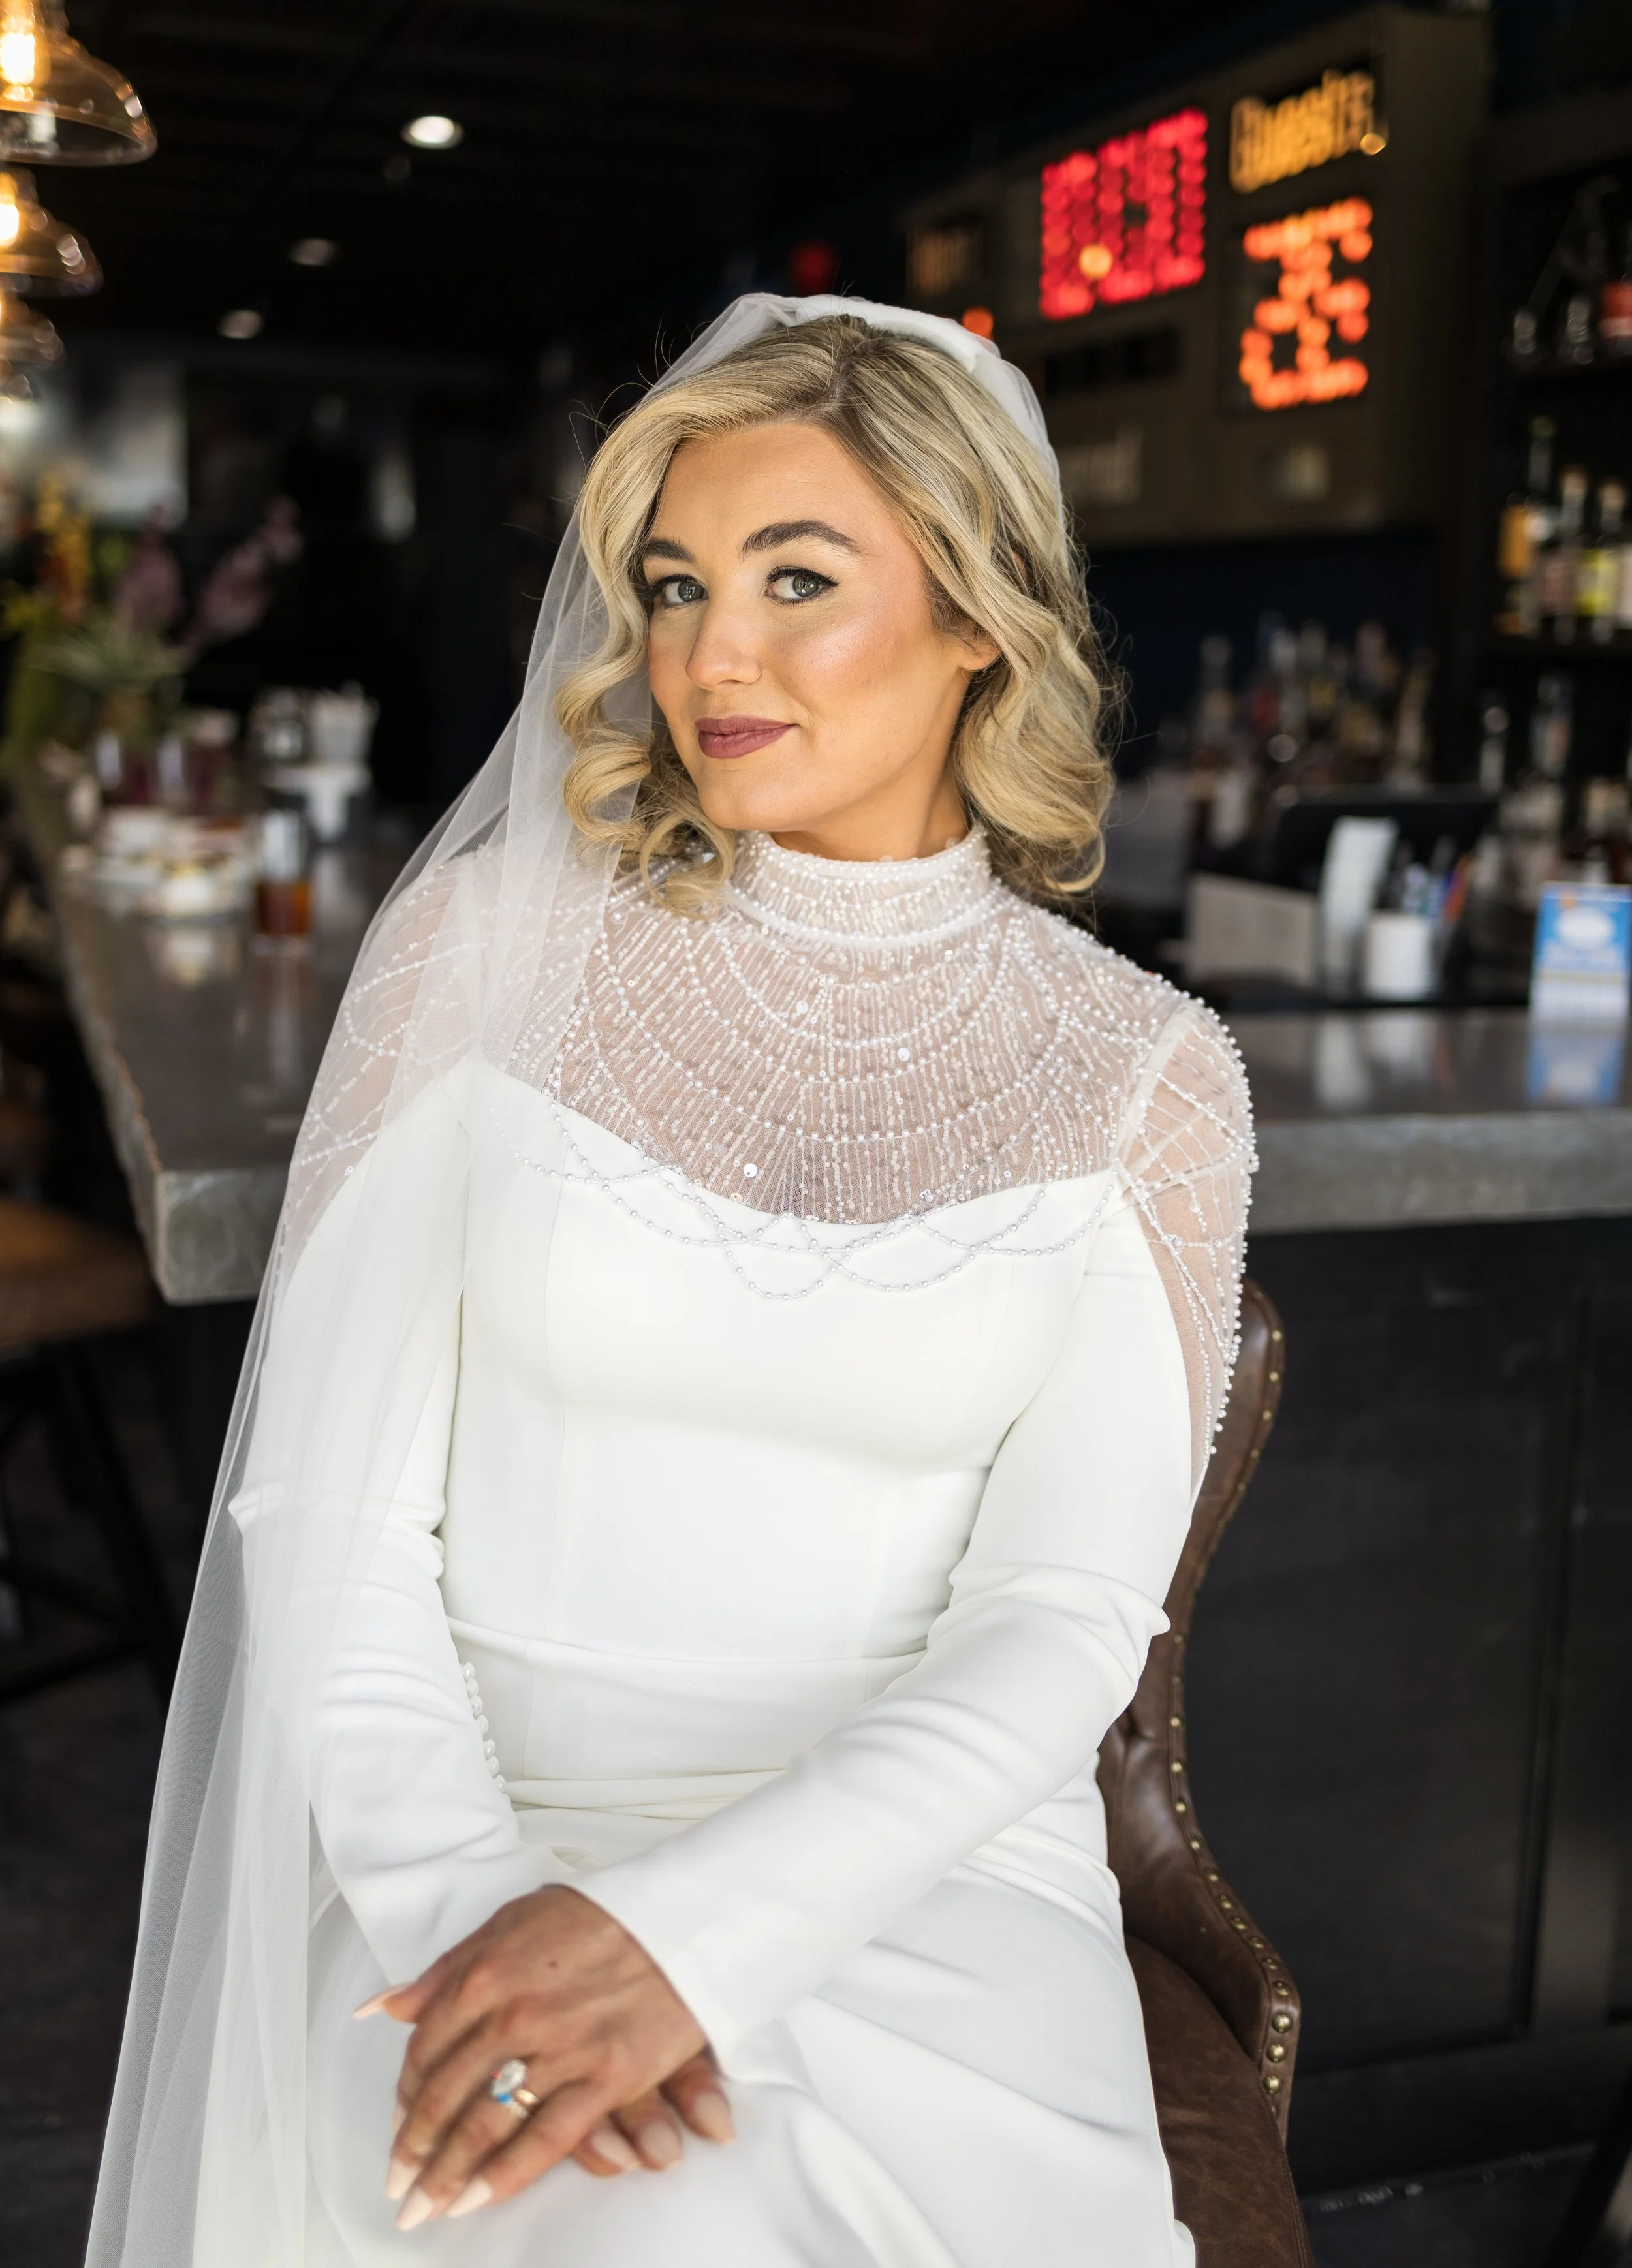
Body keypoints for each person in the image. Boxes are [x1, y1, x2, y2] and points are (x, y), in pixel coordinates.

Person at [89, 298, 1251, 2268]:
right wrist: (480, 1921)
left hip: (926, 1878)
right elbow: (328, 1516)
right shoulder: (480, 948)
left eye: (801, 579)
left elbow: (1058, 1621)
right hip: (456, 1822)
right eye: (676, 582)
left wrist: (689, 1944)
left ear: (979, 611)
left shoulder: (1147, 1074)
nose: (713, 650)